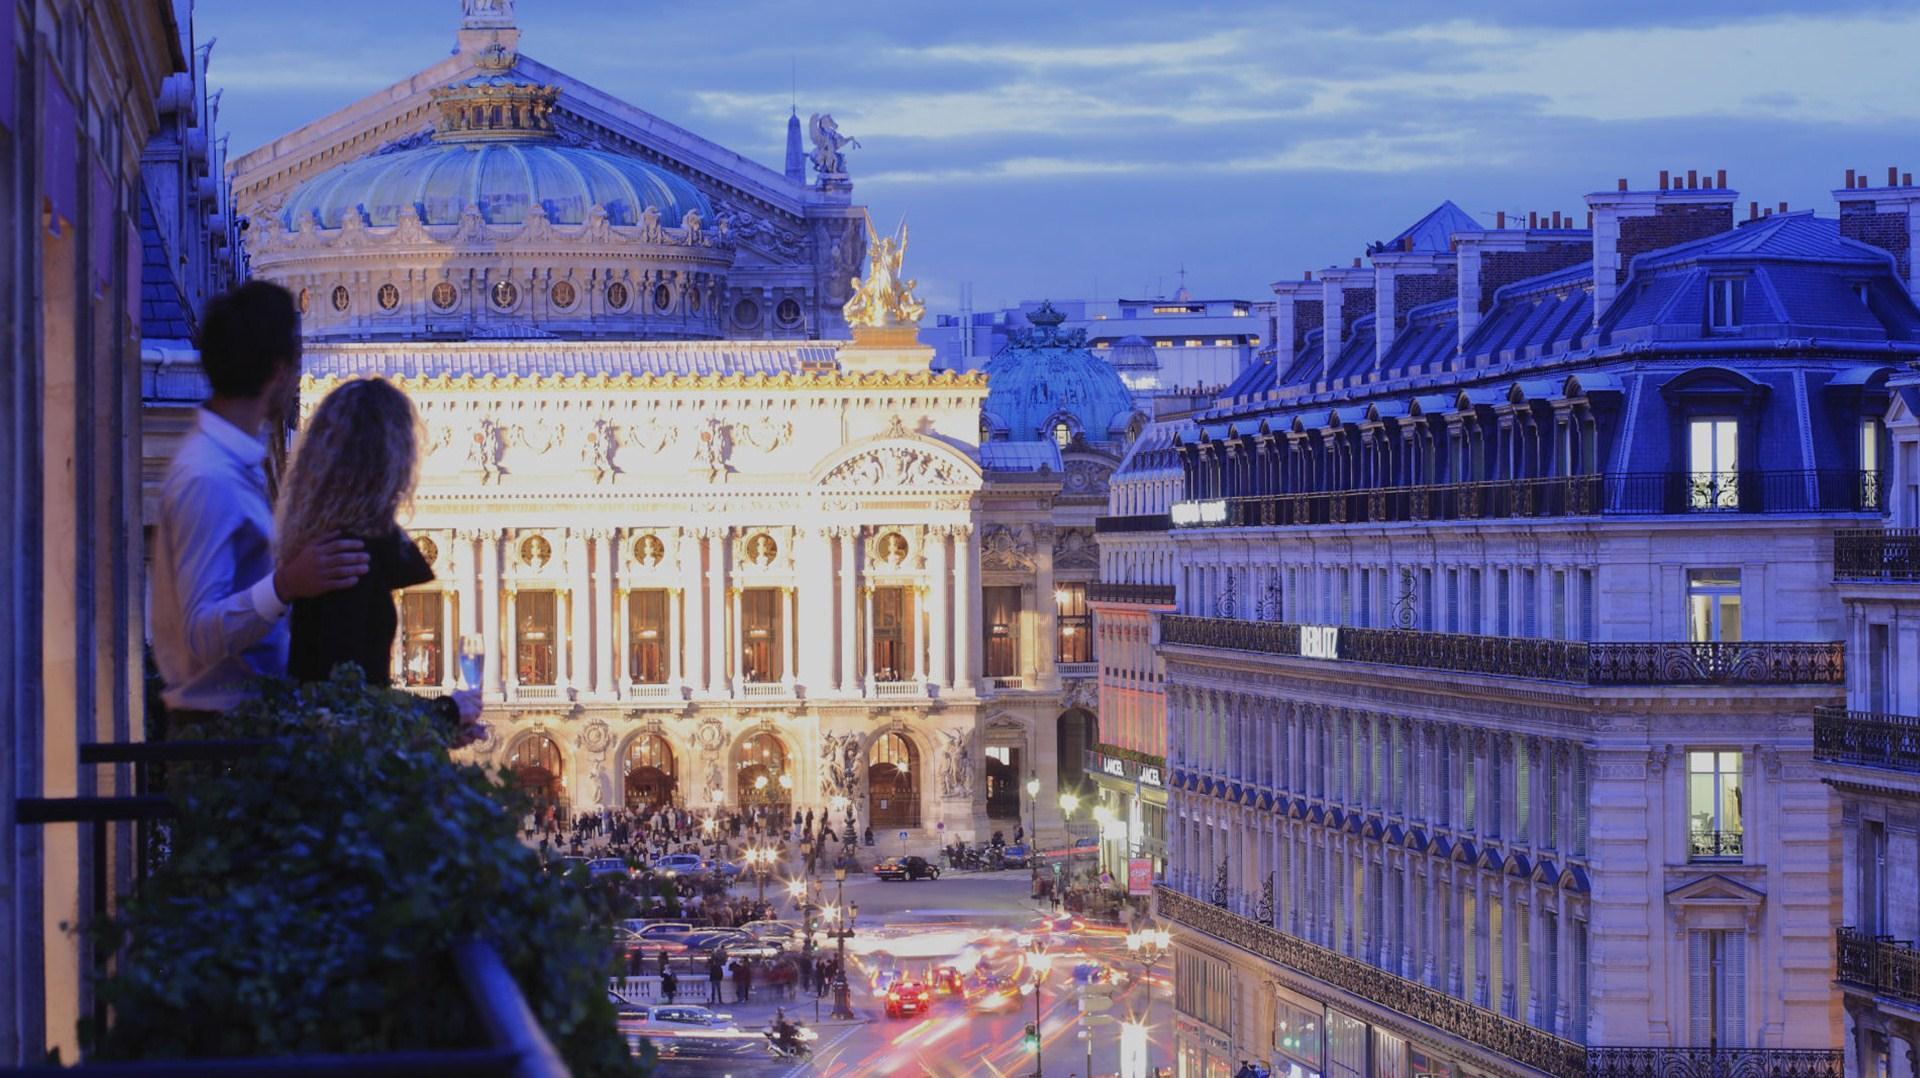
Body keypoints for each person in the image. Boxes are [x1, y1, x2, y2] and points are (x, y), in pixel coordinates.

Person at [151, 280, 369, 720]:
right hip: (222, 741)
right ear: (278, 371)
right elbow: (200, 634)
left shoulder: (229, 465)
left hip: (240, 727)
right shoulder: (209, 478)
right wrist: (286, 584)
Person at [277, 377, 481, 737]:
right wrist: (443, 714)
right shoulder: (346, 555)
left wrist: (440, 727)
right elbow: (346, 700)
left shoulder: (331, 540)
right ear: (389, 463)